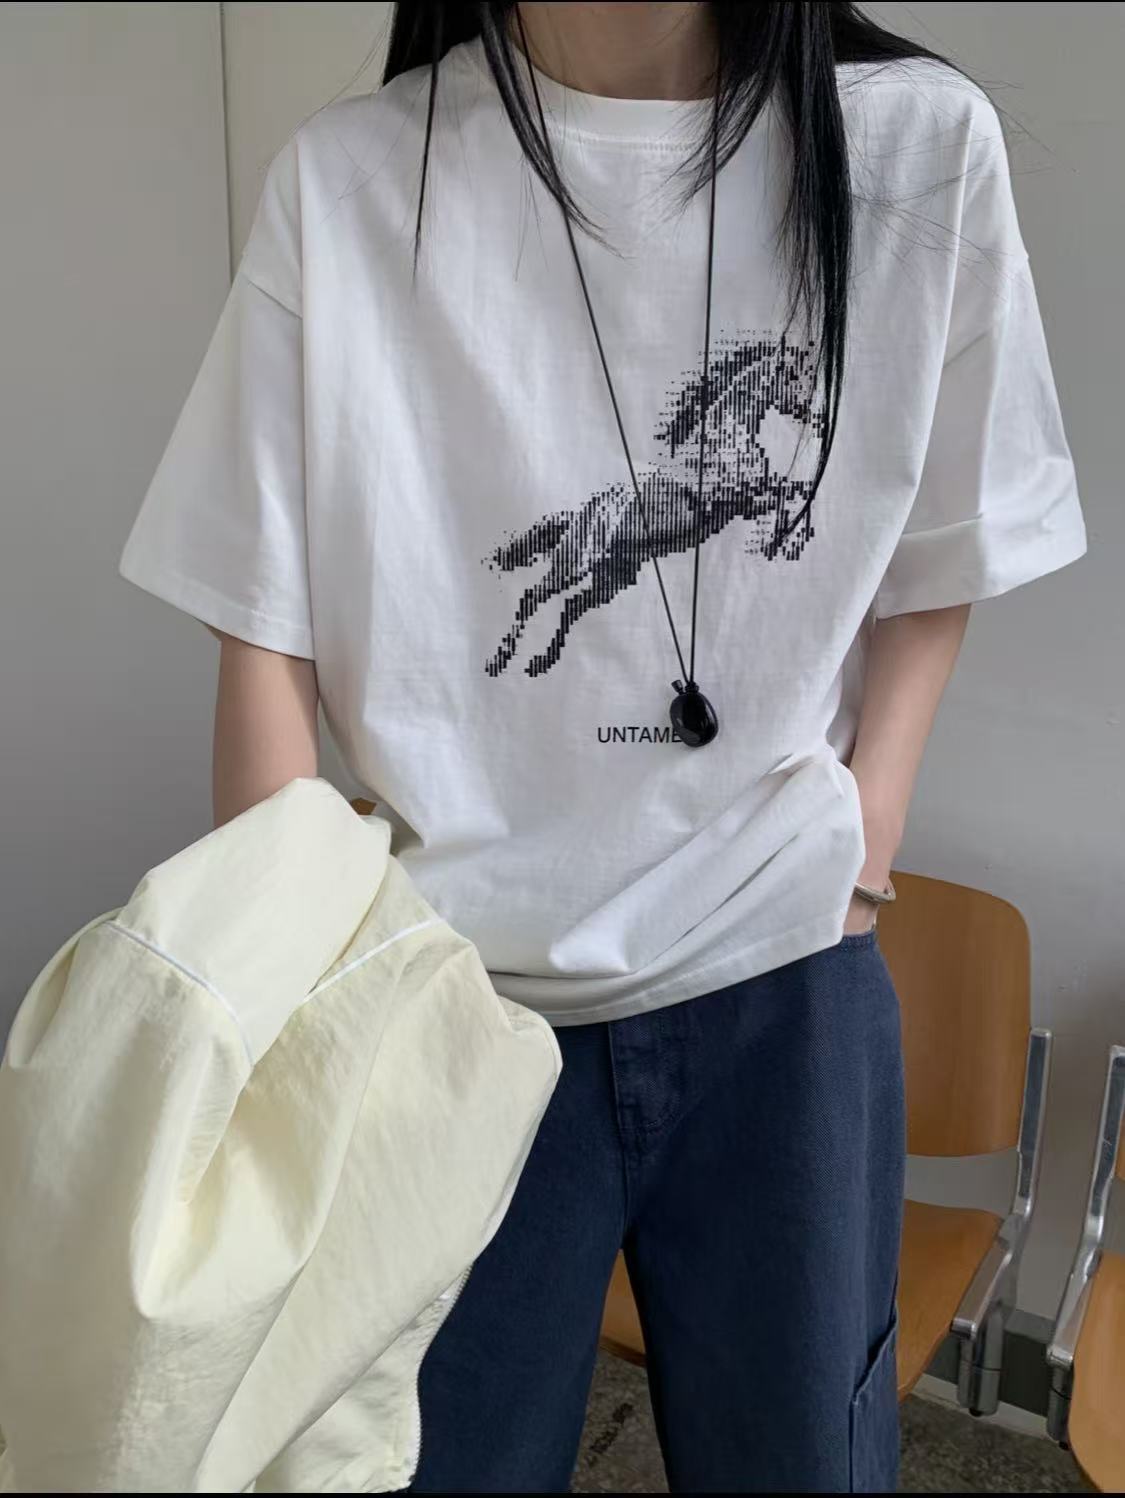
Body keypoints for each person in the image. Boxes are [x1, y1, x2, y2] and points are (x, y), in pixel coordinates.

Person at [118, 2, 1086, 1491]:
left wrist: (867, 833)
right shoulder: (350, 180)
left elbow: (945, 533)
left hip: (785, 974)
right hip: (451, 1003)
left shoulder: (911, 146)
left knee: (803, 1461)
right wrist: (293, 1005)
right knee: (432, 1462)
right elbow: (259, 624)